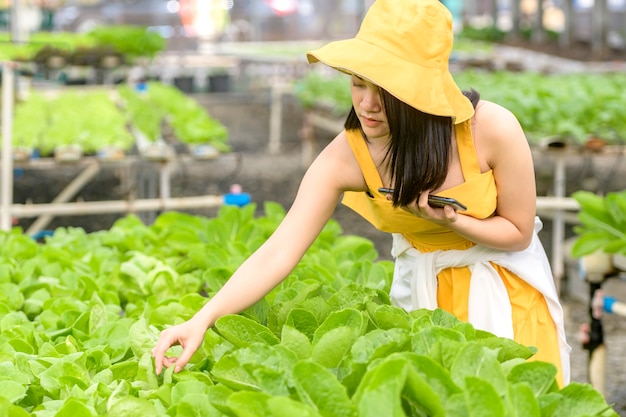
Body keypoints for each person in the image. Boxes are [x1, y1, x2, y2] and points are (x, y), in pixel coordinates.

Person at [152, 0, 571, 386]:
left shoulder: (491, 129)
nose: (367, 105)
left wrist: (453, 221)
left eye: (384, 92)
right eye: (357, 85)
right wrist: (202, 320)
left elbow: (518, 233)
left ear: (419, 91)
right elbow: (280, 249)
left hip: (504, 290)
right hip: (422, 300)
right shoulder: (347, 155)